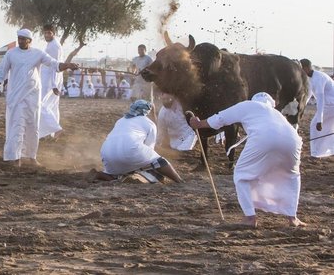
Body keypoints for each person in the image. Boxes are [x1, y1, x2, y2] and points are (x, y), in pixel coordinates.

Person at [189, 92, 305, 228]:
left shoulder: (249, 105)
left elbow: (221, 118)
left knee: (242, 175)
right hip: (293, 140)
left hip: (264, 137)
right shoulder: (276, 114)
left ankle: (250, 218)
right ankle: (293, 218)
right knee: (291, 176)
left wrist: (199, 124)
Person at [0, 29, 78, 167]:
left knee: (33, 127)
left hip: (33, 97)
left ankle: (31, 157)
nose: (21, 41)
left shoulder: (38, 53)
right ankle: (15, 158)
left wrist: (68, 65)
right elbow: (0, 74)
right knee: (16, 127)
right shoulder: (11, 54)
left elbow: (55, 64)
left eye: (23, 39)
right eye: (19, 38)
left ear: (30, 40)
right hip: (16, 97)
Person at [94, 100, 183, 183]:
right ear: (146, 111)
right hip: (130, 151)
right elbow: (149, 149)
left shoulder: (120, 120)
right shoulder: (149, 123)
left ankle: (106, 175)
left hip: (106, 154)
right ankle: (179, 181)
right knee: (160, 162)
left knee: (120, 170)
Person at [300, 59, 334, 157]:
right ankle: (320, 151)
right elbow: (309, 94)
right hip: (329, 105)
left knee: (314, 125)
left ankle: (316, 153)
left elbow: (320, 100)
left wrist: (320, 120)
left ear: (306, 68)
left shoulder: (319, 78)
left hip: (331, 105)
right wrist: (302, 108)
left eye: (301, 69)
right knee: (327, 128)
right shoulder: (310, 78)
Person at [39, 24, 64, 139]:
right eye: (45, 33)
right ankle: (51, 134)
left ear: (53, 33)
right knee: (52, 106)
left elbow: (55, 65)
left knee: (41, 105)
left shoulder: (54, 46)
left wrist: (54, 85)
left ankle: (56, 129)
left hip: (50, 80)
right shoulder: (52, 45)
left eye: (49, 33)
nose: (46, 35)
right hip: (51, 79)